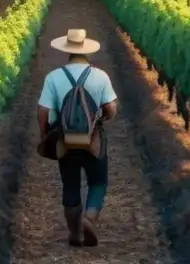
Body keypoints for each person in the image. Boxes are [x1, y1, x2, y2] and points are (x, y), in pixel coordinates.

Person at [37, 28, 119, 247]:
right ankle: (89, 219)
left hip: (65, 138)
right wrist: (104, 118)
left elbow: (43, 111)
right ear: (87, 52)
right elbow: (111, 108)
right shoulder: (100, 76)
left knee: (70, 183)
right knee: (98, 181)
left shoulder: (54, 77)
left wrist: (45, 135)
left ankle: (75, 234)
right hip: (93, 138)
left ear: (67, 52)